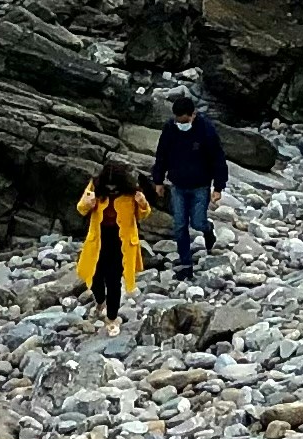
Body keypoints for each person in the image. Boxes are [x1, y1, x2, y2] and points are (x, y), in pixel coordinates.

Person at [151, 89, 229, 272]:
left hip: (200, 185)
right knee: (179, 225)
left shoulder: (206, 130)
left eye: (184, 121)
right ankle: (186, 262)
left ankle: (208, 230)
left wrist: (218, 187)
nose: (181, 124)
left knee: (198, 223)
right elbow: (161, 154)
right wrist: (158, 181)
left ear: (193, 115)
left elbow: (218, 158)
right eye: (178, 121)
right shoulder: (170, 128)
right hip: (177, 184)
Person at [74, 158, 147, 326]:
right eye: (108, 188)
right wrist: (88, 203)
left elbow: (142, 215)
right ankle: (100, 301)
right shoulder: (95, 187)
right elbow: (81, 208)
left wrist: (142, 203)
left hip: (121, 242)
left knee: (114, 281)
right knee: (94, 276)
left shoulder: (131, 193)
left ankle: (112, 318)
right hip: (99, 239)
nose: (111, 190)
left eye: (115, 188)